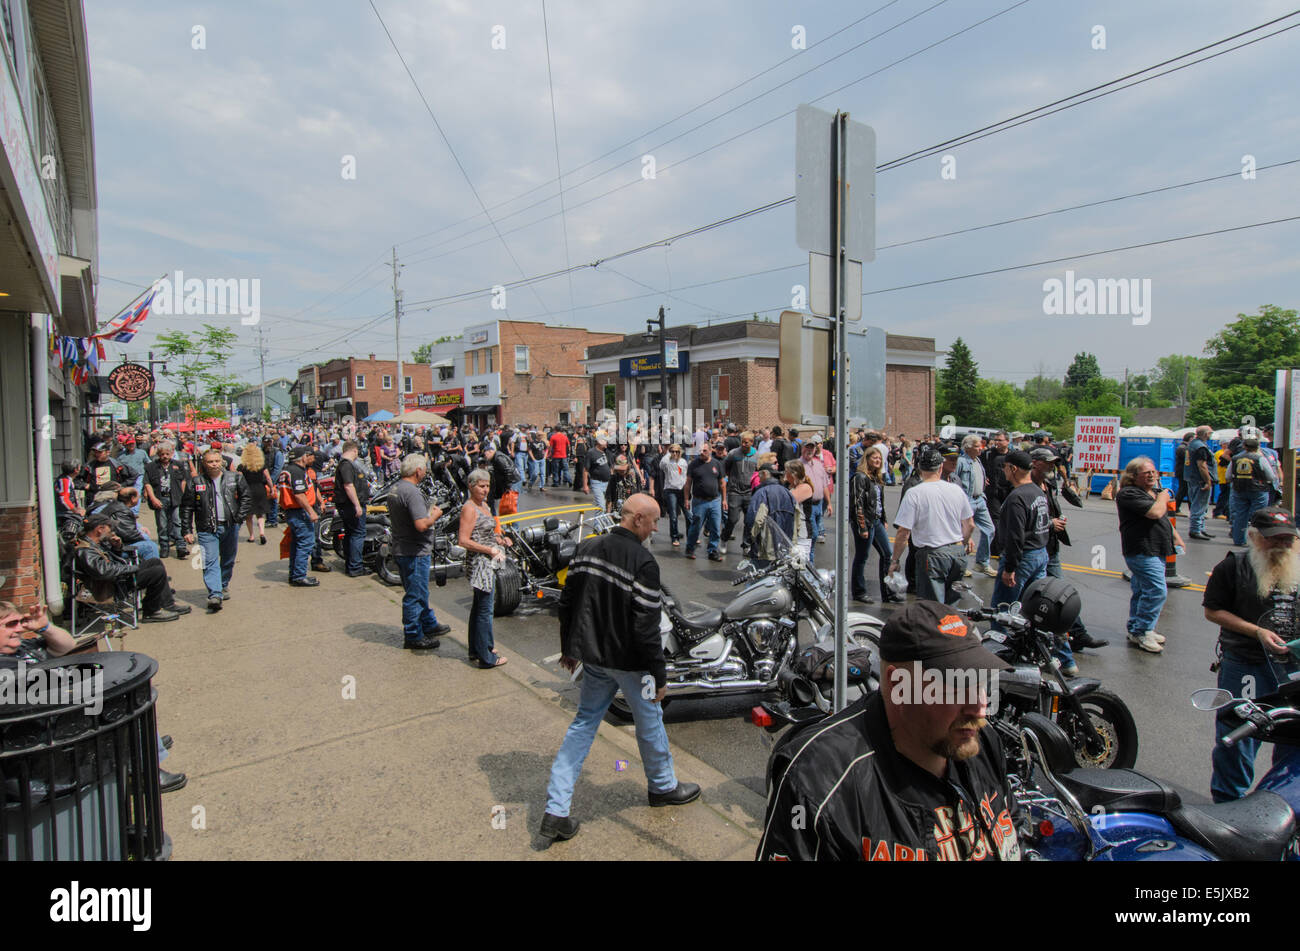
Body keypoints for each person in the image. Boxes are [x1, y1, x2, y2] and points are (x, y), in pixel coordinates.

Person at [757, 599, 1019, 861]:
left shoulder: (981, 741)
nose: (980, 707)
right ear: (898, 686)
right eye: (955, 686)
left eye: (981, 680)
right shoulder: (817, 783)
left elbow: (1011, 822)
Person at [540, 494, 700, 844]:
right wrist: (659, 675)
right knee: (650, 723)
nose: (657, 528)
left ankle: (556, 810)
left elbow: (566, 602)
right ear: (638, 519)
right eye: (655, 521)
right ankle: (662, 787)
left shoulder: (586, 548)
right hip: (630, 663)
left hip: (595, 661)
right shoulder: (643, 562)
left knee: (582, 726)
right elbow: (646, 627)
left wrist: (570, 648)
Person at [1203, 507, 1300, 801]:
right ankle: (1229, 803)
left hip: (1292, 668)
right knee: (1239, 735)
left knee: (1293, 736)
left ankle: (1282, 802)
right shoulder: (1233, 567)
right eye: (1275, 539)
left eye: (1288, 539)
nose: (1282, 545)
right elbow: (1213, 611)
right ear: (1255, 538)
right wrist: (1256, 631)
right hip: (1247, 663)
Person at [889, 449, 975, 605]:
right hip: (956, 552)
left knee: (932, 606)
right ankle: (948, 628)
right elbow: (969, 525)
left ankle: (936, 628)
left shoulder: (915, 493)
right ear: (941, 468)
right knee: (951, 605)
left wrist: (895, 560)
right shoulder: (956, 489)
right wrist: (962, 543)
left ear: (920, 469)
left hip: (933, 554)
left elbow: (903, 532)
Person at [1115, 456, 1182, 653]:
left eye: (1154, 472)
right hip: (1141, 550)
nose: (1152, 475)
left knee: (1142, 590)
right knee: (1157, 591)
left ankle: (1138, 629)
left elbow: (1162, 518)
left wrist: (1175, 536)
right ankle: (1143, 631)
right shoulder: (1128, 494)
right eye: (1147, 473)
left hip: (1156, 548)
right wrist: (1163, 496)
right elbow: (1155, 512)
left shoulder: (1149, 493)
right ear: (1134, 476)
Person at [74, 514, 191, 622]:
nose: (112, 530)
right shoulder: (85, 550)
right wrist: (133, 569)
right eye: (109, 527)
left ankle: (168, 603)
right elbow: (104, 572)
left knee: (154, 562)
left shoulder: (98, 543)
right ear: (99, 529)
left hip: (116, 579)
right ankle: (151, 612)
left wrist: (117, 548)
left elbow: (111, 563)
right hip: (110, 587)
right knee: (156, 572)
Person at [386, 454, 451, 650]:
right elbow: (421, 524)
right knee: (414, 594)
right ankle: (413, 635)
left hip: (403, 546)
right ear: (418, 471)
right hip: (413, 550)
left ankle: (429, 624)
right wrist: (435, 515)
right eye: (424, 469)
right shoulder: (411, 492)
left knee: (420, 591)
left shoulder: (396, 488)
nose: (425, 473)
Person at [183, 449, 251, 611]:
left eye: (216, 461)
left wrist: (239, 518)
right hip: (207, 527)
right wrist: (187, 529)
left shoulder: (234, 477)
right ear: (204, 464)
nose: (214, 464)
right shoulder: (196, 481)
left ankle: (223, 584)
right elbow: (186, 507)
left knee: (228, 558)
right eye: (210, 462)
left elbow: (246, 497)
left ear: (222, 461)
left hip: (230, 525)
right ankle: (215, 594)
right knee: (210, 560)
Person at [458, 468, 510, 668]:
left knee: (480, 607)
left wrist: (500, 539)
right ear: (471, 486)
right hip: (480, 563)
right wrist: (489, 549)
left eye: (487, 486)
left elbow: (487, 532)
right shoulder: (469, 508)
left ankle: (480, 647)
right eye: (481, 486)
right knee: (485, 610)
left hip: (489, 560)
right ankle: (486, 657)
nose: (485, 490)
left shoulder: (484, 505)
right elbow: (463, 540)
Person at [850, 445, 901, 604]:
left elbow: (879, 502)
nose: (878, 461)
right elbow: (856, 503)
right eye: (875, 458)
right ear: (867, 459)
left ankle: (888, 593)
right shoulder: (860, 477)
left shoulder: (876, 478)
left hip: (877, 520)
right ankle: (859, 592)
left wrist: (884, 519)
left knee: (888, 554)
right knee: (862, 557)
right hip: (865, 521)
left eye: (880, 458)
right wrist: (862, 526)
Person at [278, 446, 321, 587]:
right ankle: (299, 576)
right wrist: (311, 511)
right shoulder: (296, 471)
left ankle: (295, 574)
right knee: (306, 542)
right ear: (302, 457)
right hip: (299, 511)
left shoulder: (288, 470)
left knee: (296, 544)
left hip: (294, 512)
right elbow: (299, 494)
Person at [956, 434, 997, 578]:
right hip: (967, 502)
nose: (981, 448)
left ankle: (982, 562)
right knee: (964, 535)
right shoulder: (961, 462)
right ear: (968, 447)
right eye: (977, 446)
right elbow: (955, 482)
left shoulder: (977, 460)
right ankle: (960, 566)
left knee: (989, 529)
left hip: (980, 500)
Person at [1228, 435, 1277, 546]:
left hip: (1239, 489)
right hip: (1258, 490)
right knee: (1258, 516)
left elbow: (1228, 476)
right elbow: (1271, 476)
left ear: (1244, 446)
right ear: (1258, 447)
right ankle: (1256, 541)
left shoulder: (1235, 458)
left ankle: (1239, 540)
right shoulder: (1260, 458)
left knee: (1240, 515)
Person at [745, 461, 795, 568]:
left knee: (759, 579)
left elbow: (754, 520)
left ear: (765, 474)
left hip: (765, 547)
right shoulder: (788, 493)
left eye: (759, 475)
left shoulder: (761, 492)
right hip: (785, 546)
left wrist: (748, 540)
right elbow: (797, 520)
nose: (758, 478)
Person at [684, 440, 726, 561]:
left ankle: (713, 551)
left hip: (715, 501)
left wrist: (724, 500)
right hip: (699, 501)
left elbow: (722, 484)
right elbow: (688, 484)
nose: (701, 453)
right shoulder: (693, 464)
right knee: (696, 527)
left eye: (704, 450)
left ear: (710, 450)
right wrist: (686, 499)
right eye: (700, 451)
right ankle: (690, 548)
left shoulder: (717, 464)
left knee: (715, 527)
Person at [334, 441, 371, 577]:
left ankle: (351, 565)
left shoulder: (345, 464)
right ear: (354, 450)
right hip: (351, 505)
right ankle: (355, 567)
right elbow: (349, 486)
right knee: (357, 534)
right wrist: (357, 505)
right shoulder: (346, 465)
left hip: (348, 505)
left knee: (351, 534)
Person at [720, 431, 758, 556]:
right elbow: (725, 468)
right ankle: (724, 539)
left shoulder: (756, 455)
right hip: (735, 491)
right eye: (742, 441)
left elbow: (758, 472)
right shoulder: (733, 453)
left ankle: (746, 545)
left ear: (752, 442)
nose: (744, 444)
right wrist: (728, 480)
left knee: (749, 521)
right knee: (732, 519)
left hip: (749, 492)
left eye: (746, 442)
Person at [78, 441, 135, 511]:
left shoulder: (117, 465)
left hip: (113, 501)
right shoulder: (89, 466)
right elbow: (75, 479)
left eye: (99, 452)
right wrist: (84, 485)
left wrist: (122, 486)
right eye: (95, 452)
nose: (97, 454)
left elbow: (134, 475)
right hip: (94, 501)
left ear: (107, 452)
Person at [238, 444, 274, 545]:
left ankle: (251, 536)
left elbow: (239, 480)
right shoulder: (261, 465)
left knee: (249, 515)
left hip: (247, 490)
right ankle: (262, 533)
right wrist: (271, 488)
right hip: (260, 489)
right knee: (260, 513)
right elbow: (268, 478)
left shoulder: (242, 466)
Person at [1184, 425, 1215, 540]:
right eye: (1210, 433)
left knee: (1198, 504)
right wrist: (1207, 481)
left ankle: (1200, 528)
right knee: (1199, 505)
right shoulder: (1200, 447)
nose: (1211, 436)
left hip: (1191, 478)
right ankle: (1196, 530)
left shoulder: (1192, 444)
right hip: (1200, 480)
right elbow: (1202, 465)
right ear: (1206, 434)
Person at [582, 434, 613, 509]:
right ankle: (598, 520)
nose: (606, 443)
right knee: (601, 506)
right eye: (605, 441)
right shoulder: (591, 452)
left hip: (608, 482)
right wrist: (585, 486)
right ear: (599, 442)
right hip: (597, 483)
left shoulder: (607, 452)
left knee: (607, 505)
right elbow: (585, 470)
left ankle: (600, 521)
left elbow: (611, 467)